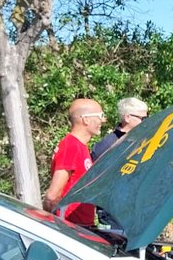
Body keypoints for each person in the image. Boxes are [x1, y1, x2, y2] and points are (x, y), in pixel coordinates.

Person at [43, 98, 104, 227]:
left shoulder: (80, 146)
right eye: (100, 116)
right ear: (86, 119)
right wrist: (49, 225)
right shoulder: (71, 147)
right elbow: (52, 196)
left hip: (81, 225)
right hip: (71, 227)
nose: (102, 121)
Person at [90, 97, 148, 161]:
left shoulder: (142, 138)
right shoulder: (108, 144)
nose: (145, 121)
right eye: (143, 118)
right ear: (127, 118)